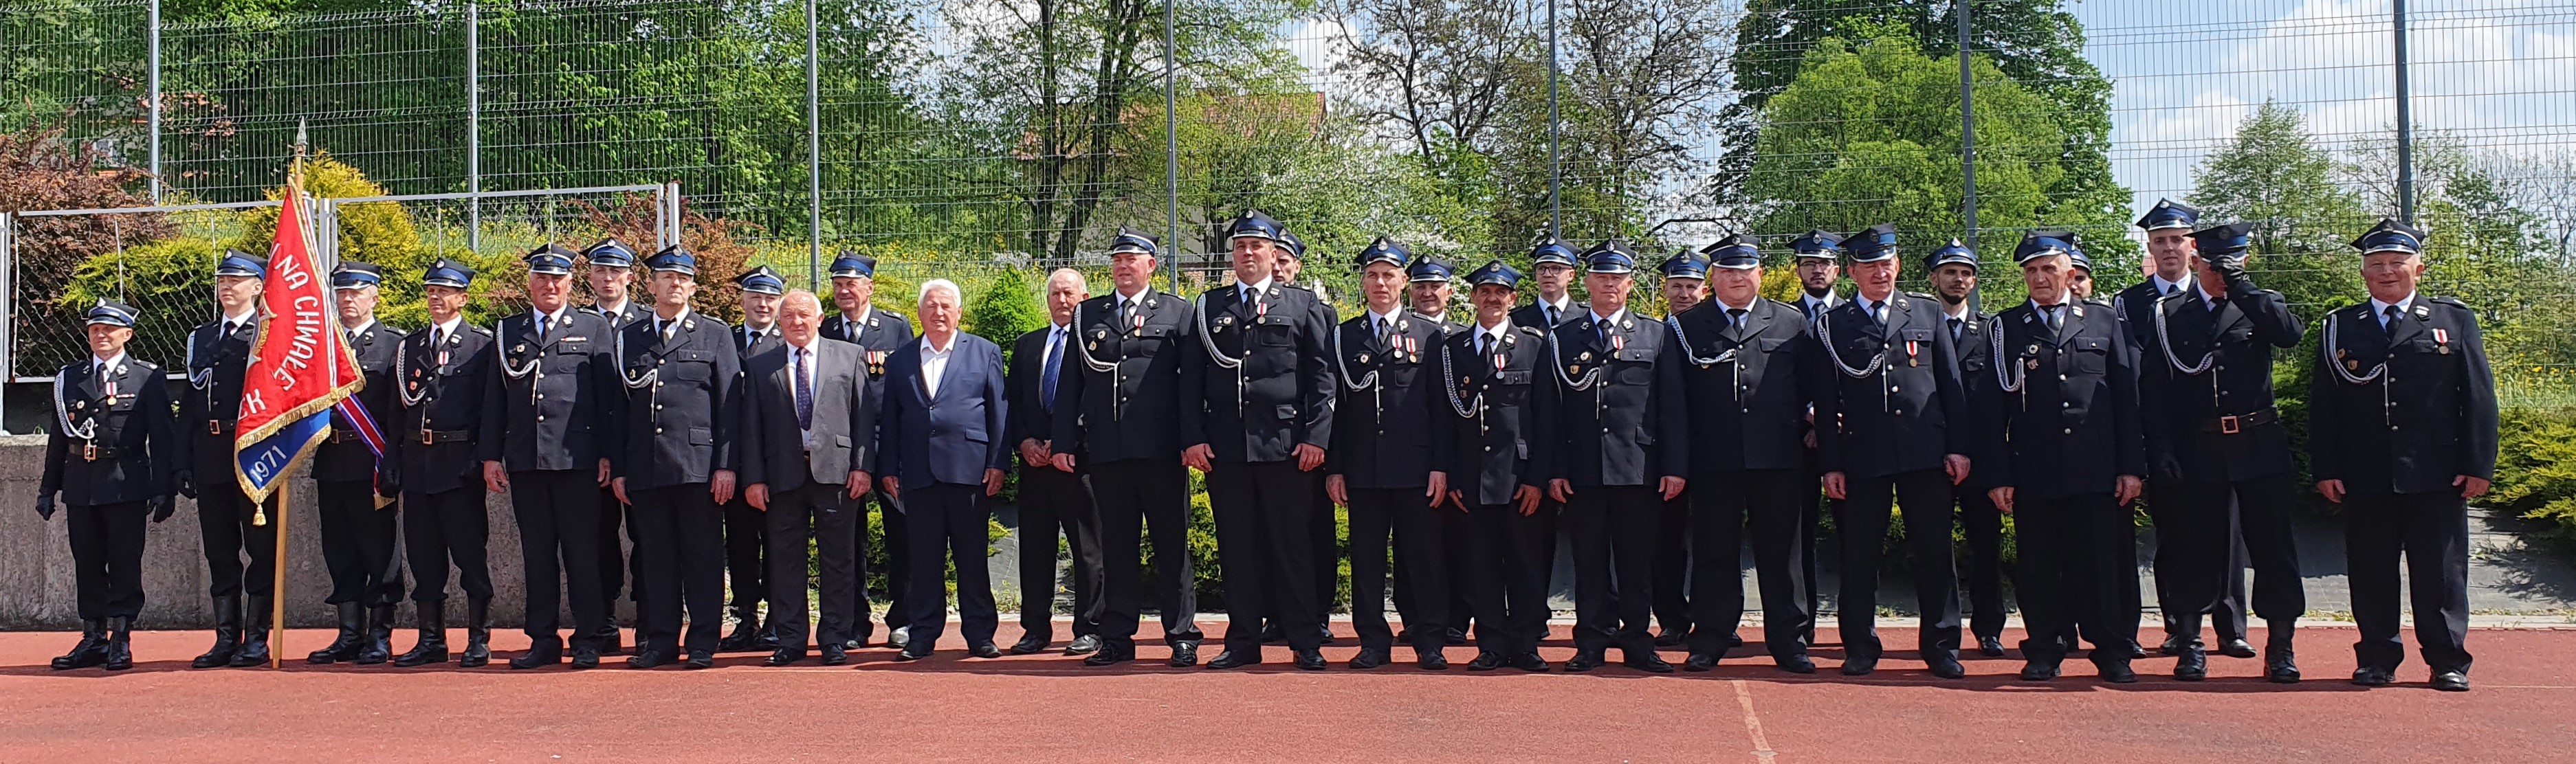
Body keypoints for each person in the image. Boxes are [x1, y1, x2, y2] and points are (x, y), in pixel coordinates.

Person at [2310, 218, 2496, 693]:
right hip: (2365, 472)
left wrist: (2478, 465)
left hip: (2437, 472)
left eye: (2397, 263)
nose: (2387, 272)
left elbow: (2477, 398)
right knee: (2370, 572)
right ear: (2363, 273)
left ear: (2419, 268)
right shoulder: (2339, 326)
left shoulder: (2452, 320)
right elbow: (2324, 405)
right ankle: (2376, 658)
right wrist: (2326, 467)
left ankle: (2447, 661)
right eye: (2376, 264)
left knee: (2440, 575)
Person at [2138, 221, 2308, 683]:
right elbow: (2155, 389)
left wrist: (2242, 287)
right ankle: (2190, 643)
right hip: (2199, 446)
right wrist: (2160, 449)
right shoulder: (2169, 313)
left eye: (2231, 265)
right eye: (2214, 266)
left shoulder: (2260, 303)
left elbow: (2289, 335)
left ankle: (2281, 646)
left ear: (2245, 262)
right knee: (2194, 548)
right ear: (2196, 261)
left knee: (2273, 550)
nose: (2221, 274)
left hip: (2258, 445)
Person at [1979, 230, 2146, 684]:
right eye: (2031, 271)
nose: (2039, 278)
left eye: (2048, 269)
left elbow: (2127, 400)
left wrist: (2131, 467)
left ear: (2070, 274)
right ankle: (2044, 649)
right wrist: (1997, 474)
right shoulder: (2006, 328)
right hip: (2035, 469)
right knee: (2038, 567)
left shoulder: (2103, 321)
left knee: (2100, 566)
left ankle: (2111, 651)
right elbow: (1991, 410)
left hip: (2096, 468)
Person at [1812, 225, 1971, 678]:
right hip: (1863, 455)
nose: (1879, 273)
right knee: (1859, 555)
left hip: (1925, 451)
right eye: (1869, 266)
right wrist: (1831, 464)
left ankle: (1941, 646)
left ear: (1897, 266)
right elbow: (1826, 400)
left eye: (1886, 264)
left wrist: (1958, 448)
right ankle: (1860, 647)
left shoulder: (1926, 312)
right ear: (1852, 272)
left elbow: (1951, 387)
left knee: (1934, 551)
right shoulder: (1833, 324)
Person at [1182, 210, 1338, 671]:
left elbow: (1322, 378)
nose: (1247, 253)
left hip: (1286, 448)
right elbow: (1190, 380)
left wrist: (1316, 437)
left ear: (1273, 255)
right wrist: (1192, 437)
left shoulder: (1302, 304)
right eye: (1240, 247)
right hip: (1227, 450)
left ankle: (1304, 640)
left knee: (1293, 548)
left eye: (1256, 246)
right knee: (1238, 548)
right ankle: (1243, 641)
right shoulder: (1209, 307)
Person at [1664, 236, 1820, 674]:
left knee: (1782, 554)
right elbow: (1674, 403)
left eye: (1745, 270)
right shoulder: (1687, 326)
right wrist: (1678, 462)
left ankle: (1790, 643)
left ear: (1760, 274)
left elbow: (1812, 386)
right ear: (1713, 278)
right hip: (1714, 459)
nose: (1737, 278)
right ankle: (1710, 638)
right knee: (1713, 552)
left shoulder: (1791, 322)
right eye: (1727, 271)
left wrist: (1816, 422)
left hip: (1778, 456)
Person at [1052, 229, 1208, 667]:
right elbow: (1071, 384)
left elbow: (1190, 386)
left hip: (1161, 453)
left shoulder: (1178, 312)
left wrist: (1191, 439)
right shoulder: (1088, 314)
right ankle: (1117, 636)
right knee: (1117, 548)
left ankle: (1181, 634)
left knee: (1171, 546)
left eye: (1132, 259)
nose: (1123, 266)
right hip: (1109, 452)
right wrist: (1064, 441)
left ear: (1151, 265)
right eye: (1118, 259)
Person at [1536, 240, 1687, 674]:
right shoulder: (1563, 337)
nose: (1609, 285)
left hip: (1639, 469)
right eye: (1601, 277)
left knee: (1637, 563)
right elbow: (1551, 412)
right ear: (1586, 282)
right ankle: (1591, 642)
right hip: (1583, 470)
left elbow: (1672, 407)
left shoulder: (1656, 335)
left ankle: (1638, 642)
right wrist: (1555, 469)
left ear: (1630, 284)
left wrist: (1674, 466)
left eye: (1617, 278)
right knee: (1589, 563)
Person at [2116, 199, 2251, 660]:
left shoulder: (2218, 291)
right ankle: (2178, 624)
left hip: (2218, 435)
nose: (2169, 248)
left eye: (2177, 240)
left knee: (2227, 533)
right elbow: (2132, 372)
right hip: (2166, 434)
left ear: (2193, 248)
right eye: (2160, 241)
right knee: (2173, 533)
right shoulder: (2129, 303)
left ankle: (2231, 627)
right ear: (2150, 248)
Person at [485, 247, 620, 669]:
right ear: (530, 284)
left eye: (557, 280)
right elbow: (496, 400)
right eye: (541, 279)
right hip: (527, 460)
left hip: (578, 461)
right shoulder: (508, 330)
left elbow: (608, 399)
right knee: (537, 554)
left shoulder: (593, 327)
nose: (549, 286)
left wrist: (608, 454)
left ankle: (589, 638)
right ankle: (542, 639)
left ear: (570, 284)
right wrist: (491, 456)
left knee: (583, 553)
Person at [1326, 237, 1455, 670]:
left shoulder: (1430, 336)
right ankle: (1373, 642)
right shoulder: (1344, 336)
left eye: (1388, 275)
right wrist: (1336, 468)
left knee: (1424, 558)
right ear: (1363, 283)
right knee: (1366, 558)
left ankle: (1429, 640)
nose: (1380, 283)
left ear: (1404, 281)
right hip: (1363, 468)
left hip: (1417, 467)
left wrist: (1441, 466)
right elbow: (1337, 408)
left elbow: (1442, 408)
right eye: (1372, 275)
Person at [610, 246, 742, 670]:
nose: (675, 284)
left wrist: (726, 466)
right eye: (667, 278)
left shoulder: (714, 334)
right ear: (651, 286)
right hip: (647, 467)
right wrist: (621, 468)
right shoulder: (630, 337)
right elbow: (620, 409)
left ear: (694, 288)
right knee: (657, 558)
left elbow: (729, 408)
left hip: (698, 468)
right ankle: (662, 641)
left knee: (702, 557)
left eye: (683, 279)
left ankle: (703, 640)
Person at [37, 300, 177, 671]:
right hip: (81, 485)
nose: (101, 335)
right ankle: (93, 637)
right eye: (95, 329)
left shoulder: (146, 378)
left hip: (125, 483)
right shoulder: (70, 377)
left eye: (110, 329)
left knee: (125, 561)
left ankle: (121, 637)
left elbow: (162, 438)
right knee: (87, 561)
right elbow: (58, 439)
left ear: (127, 334)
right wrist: (48, 488)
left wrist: (164, 488)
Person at [877, 278, 1011, 661]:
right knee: (924, 559)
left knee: (972, 558)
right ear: (919, 313)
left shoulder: (984, 352)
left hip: (970, 472)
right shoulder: (901, 359)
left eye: (946, 306)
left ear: (959, 312)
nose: (938, 312)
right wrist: (888, 467)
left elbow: (999, 412)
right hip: (918, 473)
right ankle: (922, 635)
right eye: (931, 306)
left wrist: (998, 462)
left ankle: (980, 634)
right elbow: (890, 418)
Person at [739, 289, 872, 666]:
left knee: (839, 561)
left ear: (820, 319)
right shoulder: (760, 365)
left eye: (804, 315)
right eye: (789, 316)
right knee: (785, 562)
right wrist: (754, 478)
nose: (797, 322)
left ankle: (834, 638)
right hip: (782, 476)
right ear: (780, 322)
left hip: (836, 474)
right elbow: (751, 427)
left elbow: (863, 417)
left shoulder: (850, 356)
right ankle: (791, 639)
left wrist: (862, 467)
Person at [1435, 262, 1552, 672]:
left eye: (1500, 293)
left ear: (1513, 299)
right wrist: (1451, 475)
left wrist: (1538, 479)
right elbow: (1444, 419)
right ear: (1473, 298)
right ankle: (1491, 645)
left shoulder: (1534, 346)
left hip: (1520, 478)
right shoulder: (1453, 350)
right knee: (1480, 568)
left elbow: (1546, 418)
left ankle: (1526, 645)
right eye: (1484, 292)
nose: (1492, 299)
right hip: (1472, 477)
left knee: (1526, 566)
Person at [393, 259, 505, 666]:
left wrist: (484, 458)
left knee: (470, 555)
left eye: (444, 292)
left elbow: (491, 409)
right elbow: (397, 412)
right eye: (430, 291)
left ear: (463, 298)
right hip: (418, 465)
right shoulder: (411, 346)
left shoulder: (481, 345)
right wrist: (393, 461)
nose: (435, 298)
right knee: (424, 557)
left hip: (459, 466)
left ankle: (478, 637)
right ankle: (431, 639)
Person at [178, 249, 278, 668]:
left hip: (255, 455)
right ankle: (225, 637)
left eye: (235, 281)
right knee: (219, 551)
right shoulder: (202, 338)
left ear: (257, 287)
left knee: (261, 550)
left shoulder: (269, 334)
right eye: (222, 280)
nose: (226, 287)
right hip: (211, 455)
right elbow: (190, 403)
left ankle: (256, 638)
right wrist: (184, 461)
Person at [307, 262, 407, 666]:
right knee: (339, 551)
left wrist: (395, 461)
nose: (348, 300)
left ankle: (380, 635)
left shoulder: (394, 346)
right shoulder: (321, 346)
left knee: (379, 552)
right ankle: (349, 633)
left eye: (356, 292)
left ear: (374, 297)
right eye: (342, 293)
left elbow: (399, 412)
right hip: (331, 461)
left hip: (372, 464)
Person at [1004, 269, 1106, 655]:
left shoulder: (1096, 344)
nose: (1062, 301)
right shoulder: (1028, 345)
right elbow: (1013, 401)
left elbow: (1096, 401)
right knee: (1035, 550)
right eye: (1055, 294)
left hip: (1079, 464)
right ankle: (1035, 629)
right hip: (1035, 467)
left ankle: (1089, 627)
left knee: (1087, 549)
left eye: (1069, 294)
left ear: (1084, 298)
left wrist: (1065, 441)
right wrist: (1024, 442)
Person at [824, 251, 914, 650]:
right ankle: (854, 621)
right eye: (838, 284)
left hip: (887, 442)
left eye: (852, 284)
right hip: (842, 445)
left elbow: (909, 389)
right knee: (848, 538)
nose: (844, 291)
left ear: (870, 287)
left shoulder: (895, 328)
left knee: (902, 533)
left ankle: (904, 618)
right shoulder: (825, 329)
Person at [1927, 239, 2009, 657]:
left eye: (1965, 274)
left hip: (1980, 458)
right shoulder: (1919, 328)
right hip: (1932, 455)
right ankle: (1942, 632)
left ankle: (1989, 627)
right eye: (1950, 273)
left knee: (1986, 546)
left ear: (1974, 281)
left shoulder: (1992, 331)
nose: (1958, 280)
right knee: (1936, 548)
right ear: (1933, 279)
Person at [580, 237, 650, 655]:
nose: (608, 278)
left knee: (648, 539)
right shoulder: (579, 323)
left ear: (629, 278)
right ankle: (604, 621)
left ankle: (648, 622)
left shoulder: (648, 322)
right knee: (597, 540)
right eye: (600, 271)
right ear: (590, 277)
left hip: (641, 451)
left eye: (616, 272)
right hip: (593, 454)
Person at [720, 266, 789, 653]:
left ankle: (778, 618)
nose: (763, 304)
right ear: (743, 300)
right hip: (735, 462)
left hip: (775, 463)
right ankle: (745, 617)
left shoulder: (787, 344)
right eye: (756, 297)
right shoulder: (725, 340)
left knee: (778, 541)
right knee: (741, 546)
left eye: (770, 298)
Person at [1647, 248, 1709, 648]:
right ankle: (1671, 618)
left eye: (1691, 286)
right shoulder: (1654, 333)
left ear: (1704, 290)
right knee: (1666, 541)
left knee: (1711, 540)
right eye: (1677, 286)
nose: (1684, 294)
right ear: (1665, 290)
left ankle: (1713, 617)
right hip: (1665, 453)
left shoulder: (1713, 330)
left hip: (1709, 451)